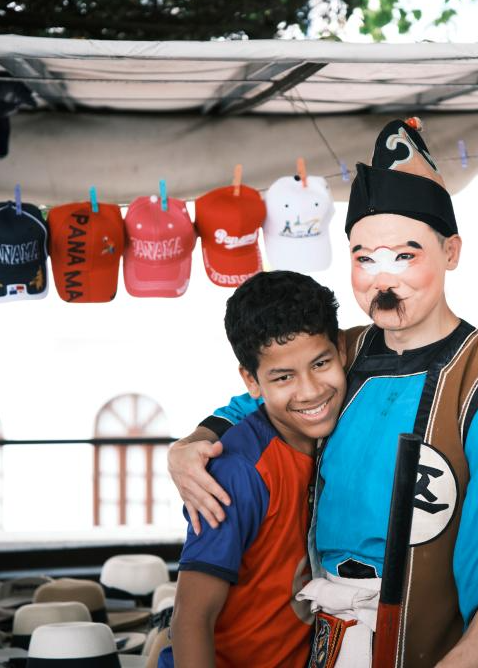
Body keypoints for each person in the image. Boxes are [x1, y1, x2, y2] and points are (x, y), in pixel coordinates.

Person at [170, 119, 478, 668]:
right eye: (364, 258)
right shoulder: (341, 355)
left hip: (448, 646)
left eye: (405, 256)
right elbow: (255, 405)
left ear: (450, 251)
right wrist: (190, 445)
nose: (383, 279)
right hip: (332, 636)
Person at [160, 270, 346, 668]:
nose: (311, 390)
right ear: (252, 380)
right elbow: (191, 619)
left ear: (341, 351)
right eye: (284, 377)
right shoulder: (237, 473)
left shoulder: (337, 437)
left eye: (321, 363)